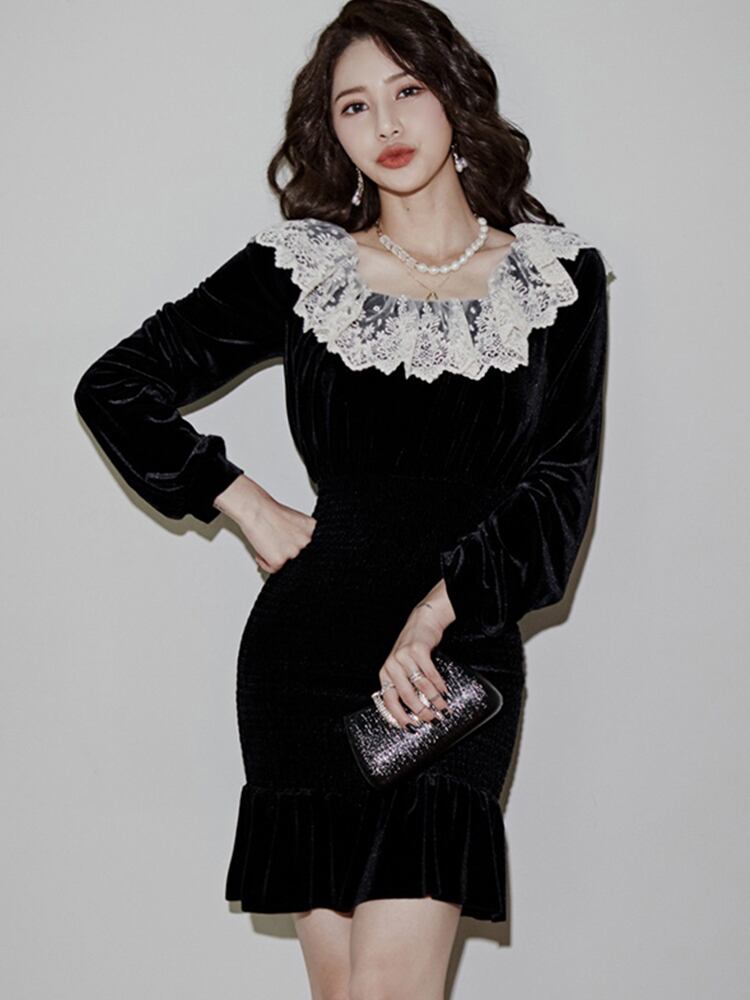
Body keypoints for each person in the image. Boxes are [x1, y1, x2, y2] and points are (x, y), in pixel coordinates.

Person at [73, 1, 612, 996]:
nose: (387, 123)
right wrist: (242, 500)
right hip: (306, 660)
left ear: (453, 93)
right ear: (334, 130)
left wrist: (438, 610)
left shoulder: (556, 278)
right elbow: (115, 386)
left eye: (408, 89)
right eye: (355, 105)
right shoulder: (303, 269)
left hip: (450, 665)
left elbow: (559, 490)